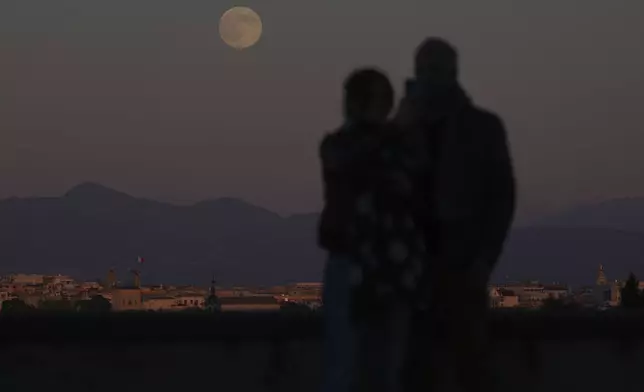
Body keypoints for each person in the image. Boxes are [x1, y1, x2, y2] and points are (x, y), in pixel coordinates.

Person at [398, 38, 516, 392]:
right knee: (414, 369)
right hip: (410, 271)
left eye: (434, 69)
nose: (428, 77)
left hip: (461, 267)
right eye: (423, 70)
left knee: (470, 368)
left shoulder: (483, 128)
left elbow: (501, 199)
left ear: (453, 73)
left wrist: (483, 260)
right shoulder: (404, 127)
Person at [319, 68, 428, 392]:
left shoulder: (394, 146)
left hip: (388, 271)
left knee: (381, 371)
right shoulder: (341, 146)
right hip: (362, 267)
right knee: (350, 369)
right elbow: (356, 164)